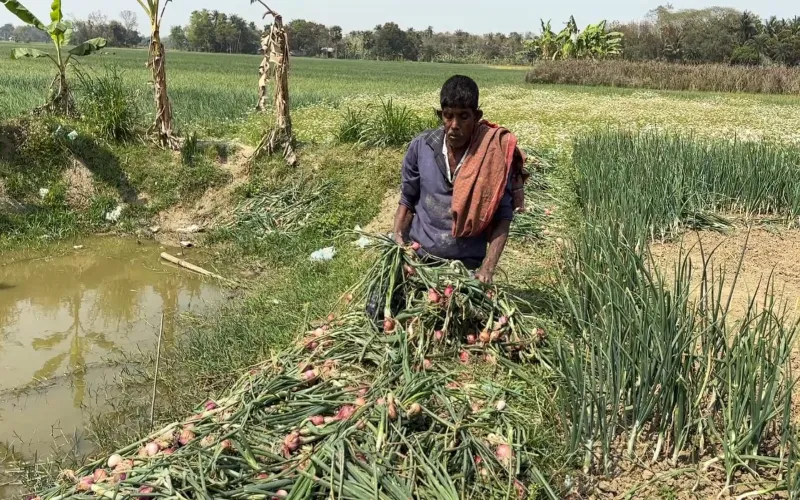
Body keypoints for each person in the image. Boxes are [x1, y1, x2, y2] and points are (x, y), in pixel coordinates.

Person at [393, 75, 527, 284]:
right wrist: (399, 241)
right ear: (441, 115)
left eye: (464, 117)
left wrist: (487, 268)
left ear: (477, 116)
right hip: (420, 258)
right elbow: (407, 200)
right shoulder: (421, 147)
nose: (455, 125)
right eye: (448, 116)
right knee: (380, 308)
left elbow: (503, 216)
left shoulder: (493, 155)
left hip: (466, 265)